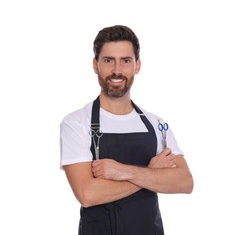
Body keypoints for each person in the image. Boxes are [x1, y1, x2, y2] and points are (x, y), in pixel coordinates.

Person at [60, 25, 193, 235]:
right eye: (108, 60)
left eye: (125, 60)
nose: (116, 70)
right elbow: (87, 194)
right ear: (95, 65)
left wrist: (122, 171)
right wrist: (151, 174)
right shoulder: (76, 123)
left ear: (137, 65)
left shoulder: (157, 123)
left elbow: (185, 182)